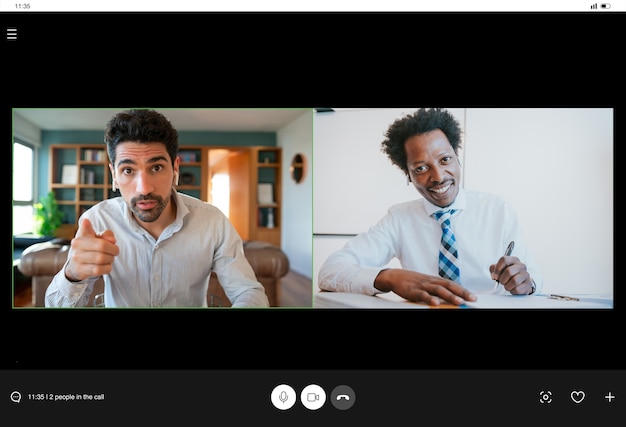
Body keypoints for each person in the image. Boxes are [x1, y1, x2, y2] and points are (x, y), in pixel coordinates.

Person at [318, 108, 542, 306]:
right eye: (421, 168)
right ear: (408, 175)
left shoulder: (498, 210)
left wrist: (526, 282)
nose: (438, 177)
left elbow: (535, 279)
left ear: (457, 157)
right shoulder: (398, 219)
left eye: (445, 160)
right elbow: (330, 271)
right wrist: (390, 277)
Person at [45, 109, 269, 308]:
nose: (144, 188)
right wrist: (72, 275)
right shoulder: (97, 221)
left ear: (175, 168)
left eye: (157, 167)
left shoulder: (213, 222)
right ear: (114, 174)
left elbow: (248, 291)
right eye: (128, 171)